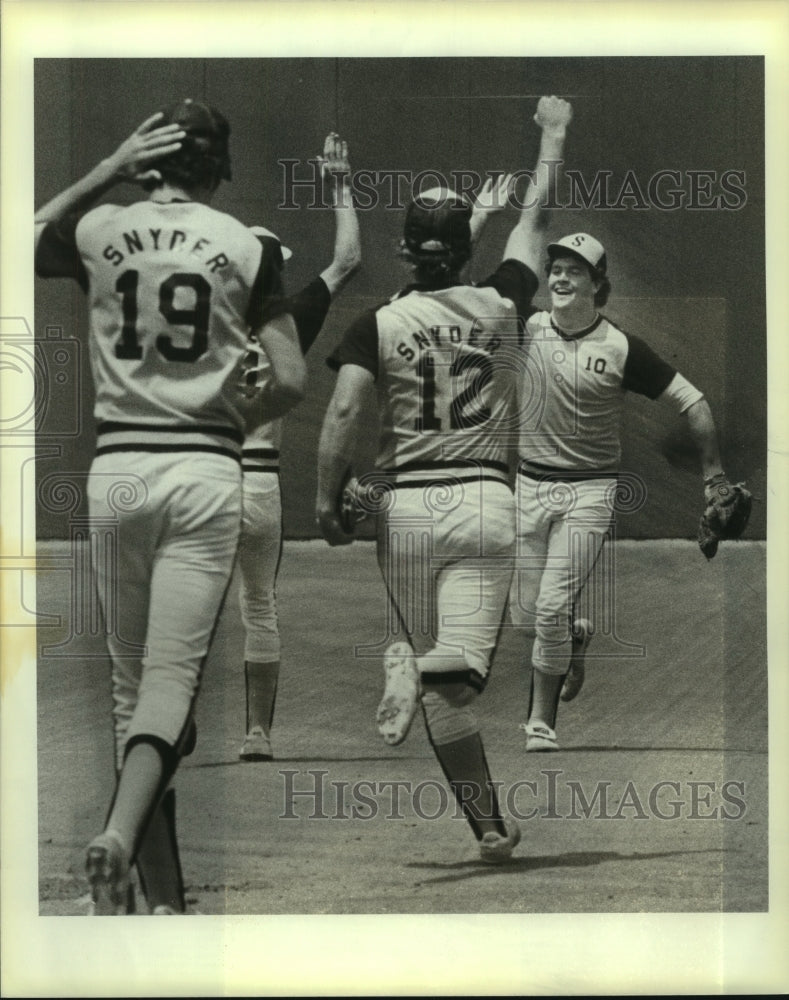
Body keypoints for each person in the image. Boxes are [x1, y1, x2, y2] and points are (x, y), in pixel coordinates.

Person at [34, 100, 306, 914]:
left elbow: (26, 234)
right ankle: (119, 838)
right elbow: (290, 380)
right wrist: (227, 421)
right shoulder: (245, 246)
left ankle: (159, 901)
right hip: (203, 470)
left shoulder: (102, 228)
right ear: (217, 170)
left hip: (117, 469)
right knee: (170, 686)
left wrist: (104, 167)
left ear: (149, 161)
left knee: (129, 691)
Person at [316, 96, 573, 863]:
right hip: (484, 500)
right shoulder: (499, 304)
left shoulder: (381, 321)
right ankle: (417, 672)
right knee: (455, 673)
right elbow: (536, 218)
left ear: (403, 251)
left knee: (442, 688)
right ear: (466, 250)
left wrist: (327, 501)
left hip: (404, 513)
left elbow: (340, 414)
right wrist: (552, 137)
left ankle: (488, 826)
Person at [510, 231, 732, 751]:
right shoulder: (525, 328)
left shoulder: (620, 346)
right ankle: (575, 636)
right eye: (556, 269)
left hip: (589, 492)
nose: (561, 278)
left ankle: (540, 722)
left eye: (575, 271)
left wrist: (714, 476)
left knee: (547, 611)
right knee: (525, 618)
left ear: (598, 284)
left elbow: (693, 402)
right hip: (529, 485)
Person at [237, 133, 361, 761]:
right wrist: (340, 180)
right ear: (277, 269)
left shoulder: (193, 317)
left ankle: (162, 726)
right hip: (258, 482)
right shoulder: (286, 317)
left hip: (198, 476)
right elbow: (347, 260)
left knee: (182, 605)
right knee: (260, 604)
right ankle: (258, 733)